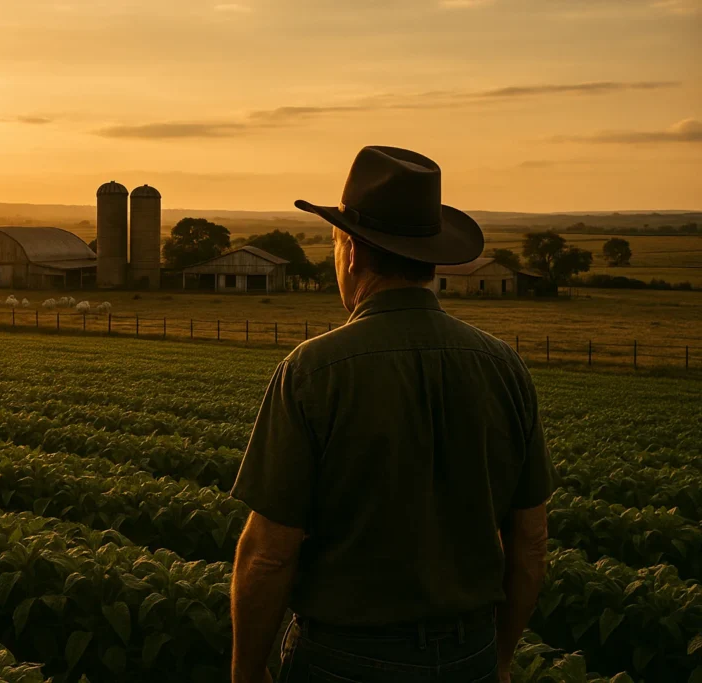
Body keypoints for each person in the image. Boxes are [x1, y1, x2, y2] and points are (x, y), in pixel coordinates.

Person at [229, 146, 557, 683]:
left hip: (344, 658)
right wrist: (496, 660)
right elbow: (531, 544)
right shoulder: (505, 367)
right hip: (467, 653)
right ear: (429, 255)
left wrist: (247, 671)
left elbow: (267, 554)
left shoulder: (314, 370)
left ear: (352, 253)